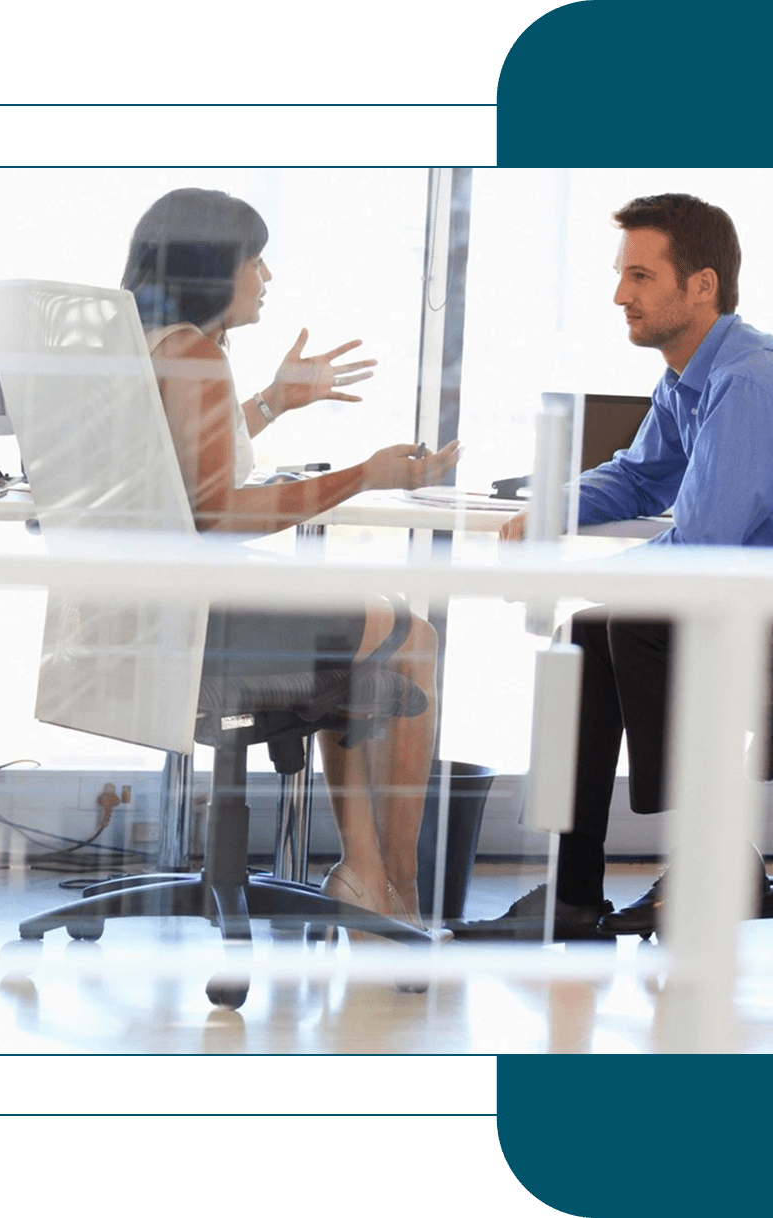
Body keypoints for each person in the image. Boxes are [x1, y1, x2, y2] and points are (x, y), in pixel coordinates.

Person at [452, 192, 773, 941]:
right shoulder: (692, 377)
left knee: (636, 621)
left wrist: (577, 575)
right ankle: (571, 897)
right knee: (588, 634)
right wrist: (553, 507)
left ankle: (712, 855)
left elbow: (702, 545)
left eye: (640, 276)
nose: (619, 295)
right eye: (621, 275)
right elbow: (636, 475)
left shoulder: (748, 382)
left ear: (702, 286)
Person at [122, 187, 461, 937]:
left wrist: (272, 401)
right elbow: (217, 510)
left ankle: (365, 876)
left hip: (149, 620)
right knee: (410, 639)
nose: (266, 276)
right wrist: (364, 475)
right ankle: (394, 890)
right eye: (254, 259)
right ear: (217, 267)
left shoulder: (150, 345)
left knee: (373, 637)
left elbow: (182, 468)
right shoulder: (197, 354)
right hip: (204, 634)